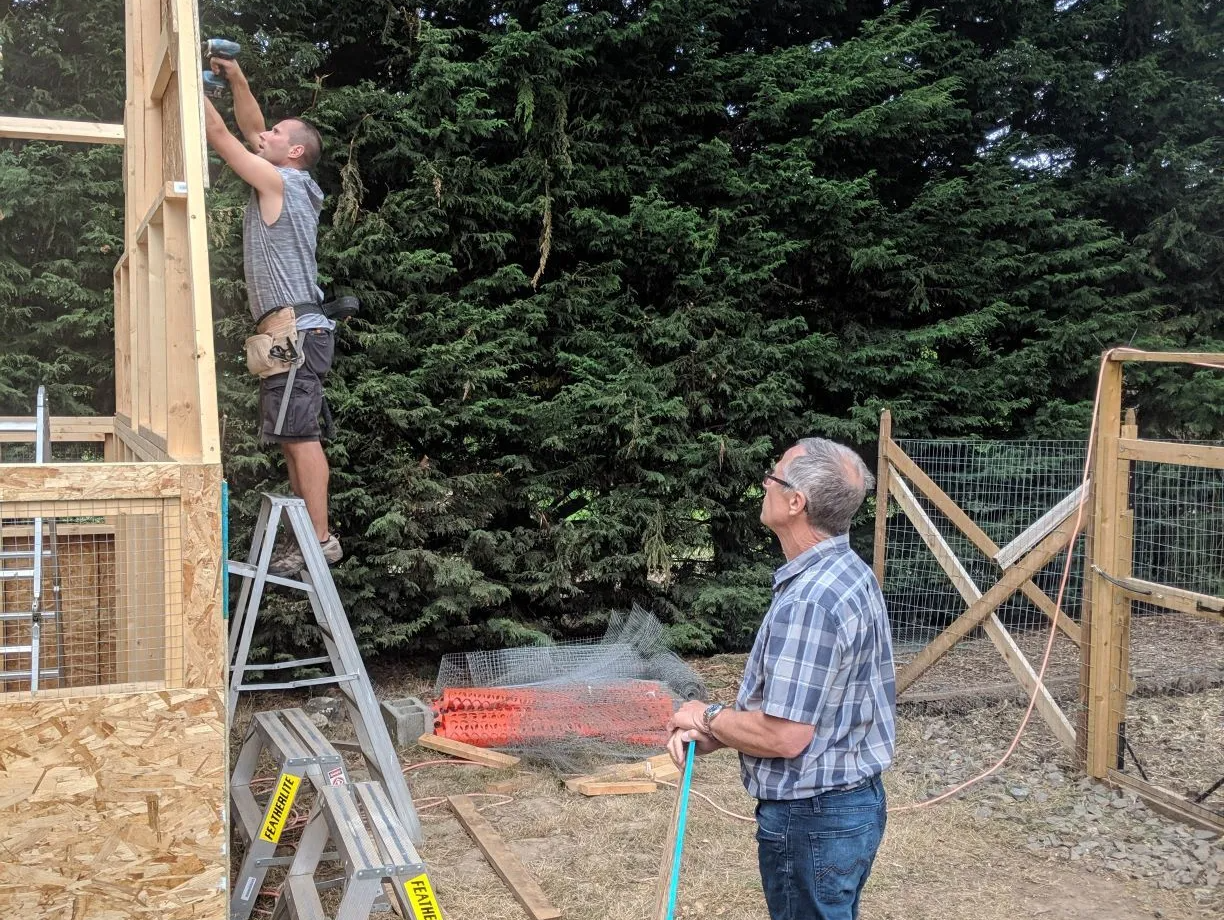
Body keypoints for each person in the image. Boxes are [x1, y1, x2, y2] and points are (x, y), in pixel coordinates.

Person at [666, 438, 896, 920]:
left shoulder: (809, 600)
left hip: (813, 818)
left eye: (774, 476)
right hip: (849, 809)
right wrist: (723, 734)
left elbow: (786, 735)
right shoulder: (849, 572)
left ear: (796, 503)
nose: (764, 484)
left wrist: (706, 717)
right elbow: (808, 708)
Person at [202, 56, 341, 576]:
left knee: (301, 435)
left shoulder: (282, 184)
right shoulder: (285, 179)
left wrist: (191, 93)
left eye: (279, 134)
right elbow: (253, 130)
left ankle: (320, 540)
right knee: (291, 434)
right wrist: (236, 79)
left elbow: (227, 141)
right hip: (286, 332)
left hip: (296, 332)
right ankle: (311, 534)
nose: (267, 134)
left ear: (296, 152)